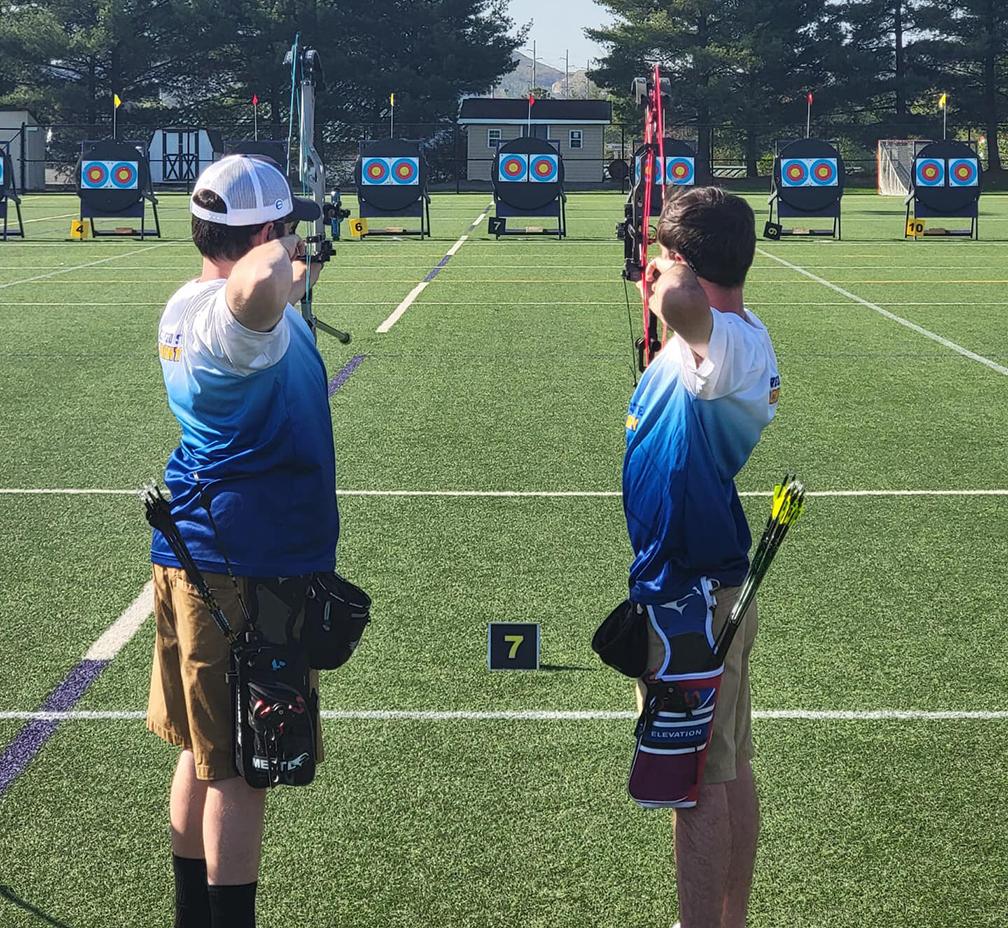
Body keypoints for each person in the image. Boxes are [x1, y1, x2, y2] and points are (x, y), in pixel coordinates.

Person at [146, 154, 338, 928]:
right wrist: (285, 252)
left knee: (203, 752)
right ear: (262, 232)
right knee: (244, 771)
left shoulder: (185, 304)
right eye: (282, 232)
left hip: (198, 554)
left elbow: (266, 288)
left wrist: (295, 265)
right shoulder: (233, 322)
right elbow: (258, 287)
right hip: (243, 570)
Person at [622, 186, 780, 928]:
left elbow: (683, 301)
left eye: (667, 255)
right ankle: (731, 919)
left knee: (696, 785)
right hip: (703, 587)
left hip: (693, 597)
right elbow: (686, 307)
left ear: (685, 260)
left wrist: (661, 273)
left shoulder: (731, 345)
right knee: (727, 768)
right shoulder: (719, 342)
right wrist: (665, 265)